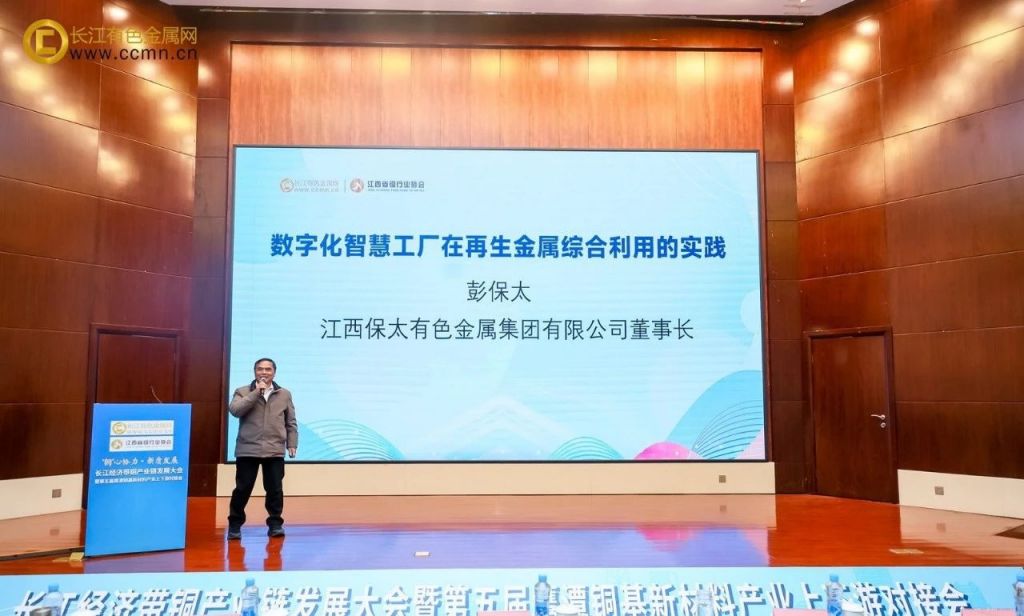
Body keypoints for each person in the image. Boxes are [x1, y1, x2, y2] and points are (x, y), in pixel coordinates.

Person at [227, 357, 298, 539]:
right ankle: (235, 525)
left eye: (268, 369)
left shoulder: (284, 394)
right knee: (242, 489)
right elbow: (235, 411)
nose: (264, 372)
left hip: (274, 450)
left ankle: (275, 524)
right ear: (255, 372)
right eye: (260, 369)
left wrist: (292, 443)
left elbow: (290, 422)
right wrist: (256, 393)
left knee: (275, 490)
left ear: (274, 372)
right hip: (248, 449)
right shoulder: (242, 391)